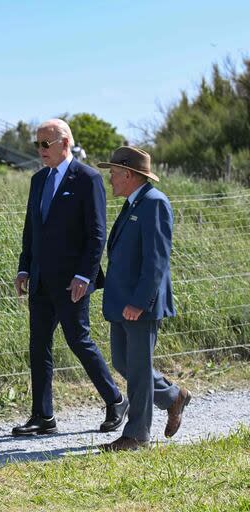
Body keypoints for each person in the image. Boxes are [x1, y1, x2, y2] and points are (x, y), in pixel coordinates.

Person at [13, 118, 128, 437]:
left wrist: (84, 275)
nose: (40, 150)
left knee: (78, 340)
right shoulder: (38, 180)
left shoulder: (87, 179)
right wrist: (24, 267)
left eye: (44, 144)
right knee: (39, 345)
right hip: (39, 279)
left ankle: (116, 400)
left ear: (64, 143)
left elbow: (96, 234)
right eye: (37, 144)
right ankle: (43, 416)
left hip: (72, 282)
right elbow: (31, 229)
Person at [97, 146, 191, 451]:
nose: (110, 179)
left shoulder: (154, 204)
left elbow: (157, 260)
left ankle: (137, 435)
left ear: (128, 174)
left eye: (113, 173)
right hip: (122, 304)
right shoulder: (132, 204)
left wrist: (140, 301)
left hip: (140, 305)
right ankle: (173, 396)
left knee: (137, 369)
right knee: (124, 363)